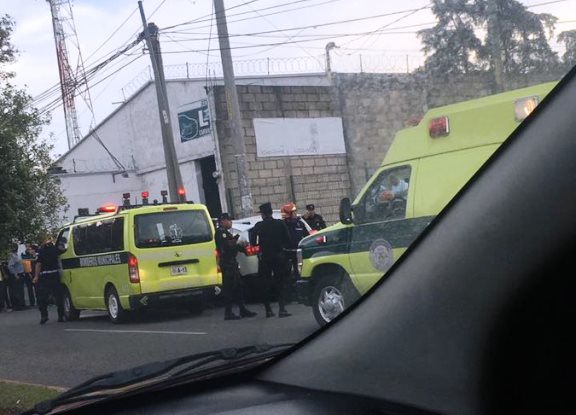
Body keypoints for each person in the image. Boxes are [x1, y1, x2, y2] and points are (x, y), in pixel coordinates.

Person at [250, 202, 292, 318]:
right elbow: (288, 239)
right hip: (279, 256)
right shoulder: (280, 224)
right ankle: (282, 309)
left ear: (263, 214)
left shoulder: (259, 226)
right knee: (280, 283)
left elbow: (253, 241)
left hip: (265, 258)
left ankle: (268, 310)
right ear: (271, 213)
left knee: (264, 284)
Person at [215, 213, 257, 321]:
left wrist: (242, 246)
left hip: (232, 263)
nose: (230, 223)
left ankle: (242, 309)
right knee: (229, 288)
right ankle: (228, 312)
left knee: (238, 287)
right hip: (227, 263)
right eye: (229, 220)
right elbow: (228, 247)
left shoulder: (226, 233)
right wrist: (238, 242)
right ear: (223, 221)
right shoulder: (221, 233)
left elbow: (232, 244)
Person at [34, 237, 65, 324]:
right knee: (58, 296)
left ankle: (44, 315)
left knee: (42, 297)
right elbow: (63, 250)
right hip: (55, 275)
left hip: (44, 276)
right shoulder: (55, 249)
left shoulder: (41, 251)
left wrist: (36, 276)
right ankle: (61, 315)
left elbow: (38, 264)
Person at [281, 203, 311, 279]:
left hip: (298, 253)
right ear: (288, 214)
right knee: (285, 274)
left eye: (295, 211)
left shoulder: (300, 224)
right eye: (293, 212)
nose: (295, 213)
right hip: (286, 253)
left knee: (299, 273)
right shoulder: (282, 225)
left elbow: (307, 237)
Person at [7, 243, 26, 310]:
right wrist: (15, 274)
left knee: (19, 290)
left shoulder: (15, 255)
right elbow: (10, 266)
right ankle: (19, 306)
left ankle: (20, 305)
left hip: (19, 274)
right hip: (17, 275)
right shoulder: (13, 256)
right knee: (18, 291)